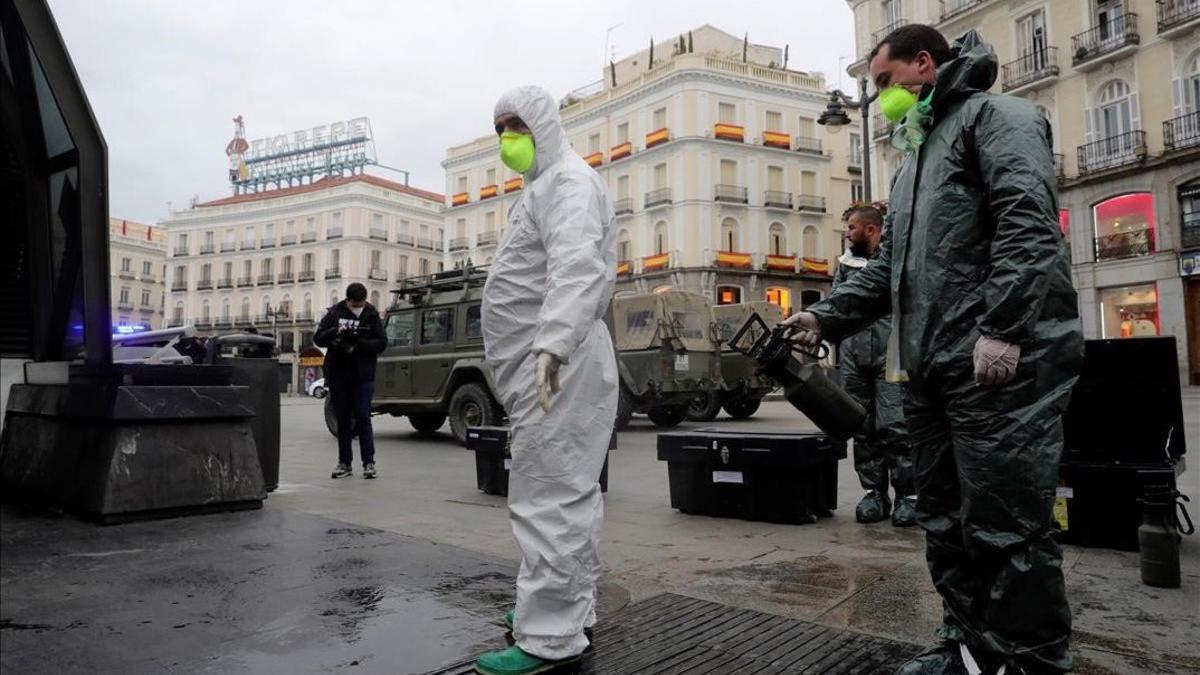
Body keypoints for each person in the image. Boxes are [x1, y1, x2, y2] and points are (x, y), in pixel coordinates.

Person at [785, 27, 1083, 675]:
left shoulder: (997, 118)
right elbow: (885, 271)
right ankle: (969, 648)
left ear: (925, 64)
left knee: (1008, 526)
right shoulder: (913, 161)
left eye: (886, 83)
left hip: (996, 366)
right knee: (945, 523)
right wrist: (821, 319)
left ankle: (1029, 662)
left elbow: (1027, 221)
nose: (880, 100)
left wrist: (1002, 327)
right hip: (931, 372)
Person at [476, 85, 618, 675]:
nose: (508, 138)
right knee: (565, 494)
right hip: (545, 367)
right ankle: (566, 612)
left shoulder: (567, 184)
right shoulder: (541, 188)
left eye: (517, 126)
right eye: (501, 127)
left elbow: (575, 266)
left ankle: (549, 639)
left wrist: (554, 343)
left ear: (543, 125)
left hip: (558, 366)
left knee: (548, 499)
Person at [835, 204, 915, 527]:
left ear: (871, 230)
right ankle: (874, 493)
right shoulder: (845, 264)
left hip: (890, 353)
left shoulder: (895, 259)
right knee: (862, 426)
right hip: (854, 357)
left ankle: (909, 495)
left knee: (896, 425)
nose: (847, 233)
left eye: (852, 227)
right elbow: (836, 303)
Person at [313, 283, 386, 480]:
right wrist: (335, 332)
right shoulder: (335, 313)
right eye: (355, 305)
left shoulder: (371, 314)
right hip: (339, 372)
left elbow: (381, 343)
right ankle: (344, 463)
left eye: (361, 304)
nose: (358, 308)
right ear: (348, 301)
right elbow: (318, 338)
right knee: (343, 419)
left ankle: (368, 463)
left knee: (363, 417)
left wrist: (359, 345)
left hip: (363, 374)